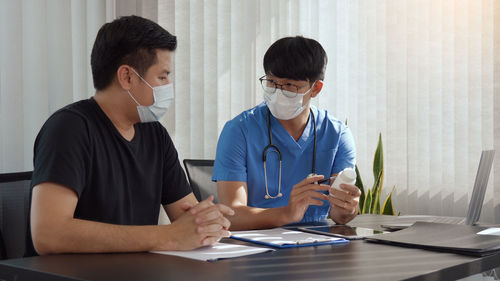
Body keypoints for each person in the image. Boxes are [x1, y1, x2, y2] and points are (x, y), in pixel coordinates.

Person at [27, 15, 233, 256]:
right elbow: (49, 234)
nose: (169, 87)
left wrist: (208, 222)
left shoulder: (155, 134)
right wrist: (167, 235)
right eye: (163, 77)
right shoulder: (68, 128)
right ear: (127, 77)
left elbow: (188, 218)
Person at [212, 36, 359, 230]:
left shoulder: (337, 135)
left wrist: (347, 209)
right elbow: (231, 214)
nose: (278, 92)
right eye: (272, 82)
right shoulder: (239, 130)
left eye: (290, 85)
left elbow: (339, 216)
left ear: (316, 88)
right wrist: (286, 214)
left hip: (316, 245)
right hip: (255, 245)